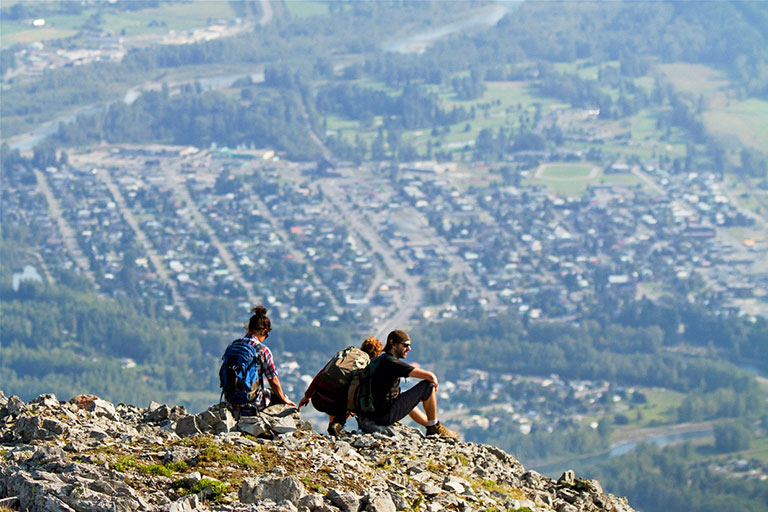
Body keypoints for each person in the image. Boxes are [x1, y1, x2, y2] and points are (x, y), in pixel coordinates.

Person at [362, 329, 458, 439]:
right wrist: (432, 387)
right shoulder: (392, 363)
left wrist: (416, 398)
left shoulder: (380, 360)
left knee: (404, 398)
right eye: (405, 345)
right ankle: (433, 428)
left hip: (372, 415)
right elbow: (429, 377)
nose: (409, 349)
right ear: (393, 344)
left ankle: (430, 425)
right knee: (428, 385)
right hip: (384, 416)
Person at [298, 336, 383, 437]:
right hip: (335, 406)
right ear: (376, 355)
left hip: (317, 399)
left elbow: (322, 372)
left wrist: (307, 395)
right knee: (356, 395)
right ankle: (337, 424)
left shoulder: (346, 354)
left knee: (336, 392)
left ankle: (332, 428)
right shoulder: (366, 364)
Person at [220, 305, 295, 415]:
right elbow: (272, 379)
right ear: (264, 331)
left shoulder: (233, 345)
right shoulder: (262, 350)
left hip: (230, 400)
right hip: (253, 402)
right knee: (277, 397)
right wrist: (283, 398)